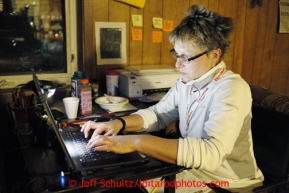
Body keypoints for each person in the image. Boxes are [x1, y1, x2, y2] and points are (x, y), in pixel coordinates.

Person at [81, 4, 264, 192]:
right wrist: (119, 124)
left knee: (129, 187)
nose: (177, 64)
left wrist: (135, 141)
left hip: (227, 181)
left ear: (214, 55)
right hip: (194, 170)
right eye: (176, 55)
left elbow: (211, 153)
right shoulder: (188, 81)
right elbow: (159, 114)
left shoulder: (231, 87)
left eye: (185, 57)